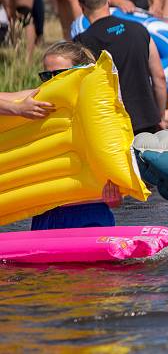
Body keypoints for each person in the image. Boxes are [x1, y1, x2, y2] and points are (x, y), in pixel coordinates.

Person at [29, 41, 121, 231]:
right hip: (47, 216)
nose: (54, 81)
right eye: (47, 76)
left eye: (60, 74)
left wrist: (114, 198)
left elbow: (115, 182)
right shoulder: (33, 112)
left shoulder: (100, 113)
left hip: (90, 214)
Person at [74, 0, 166, 135]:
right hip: (147, 122)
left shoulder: (81, 43)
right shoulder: (139, 30)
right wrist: (160, 116)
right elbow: (160, 78)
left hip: (111, 127)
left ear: (81, 6)